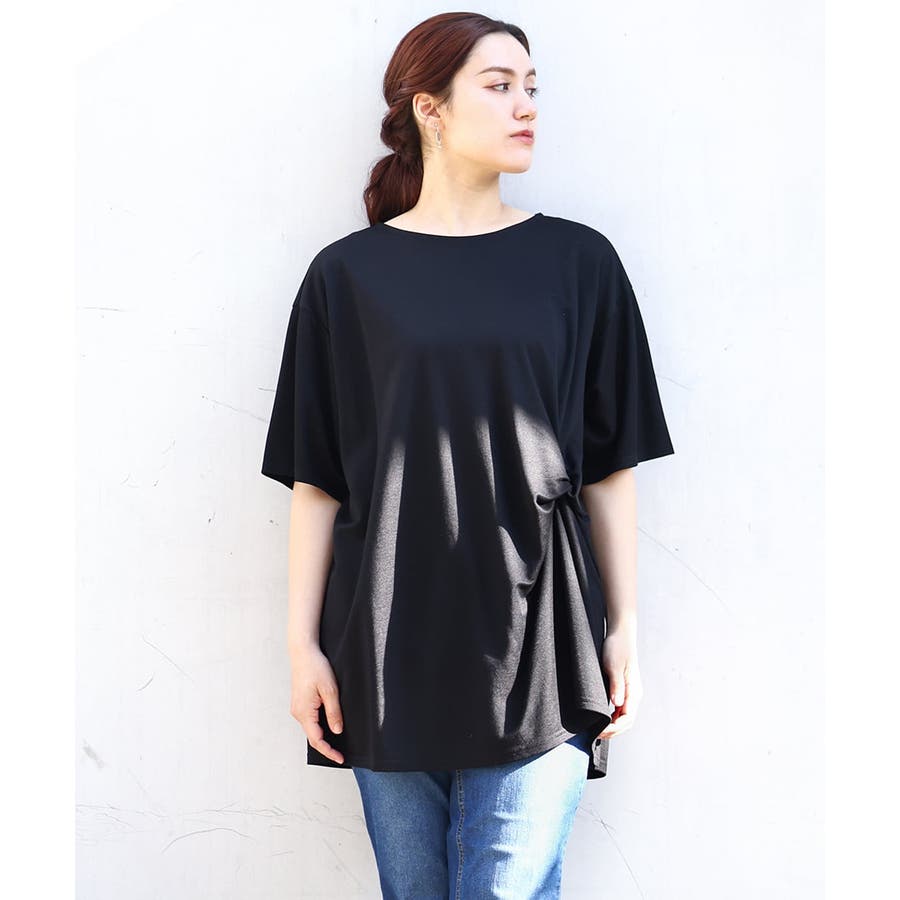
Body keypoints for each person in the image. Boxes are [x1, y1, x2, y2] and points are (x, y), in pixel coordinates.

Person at [261, 12, 675, 899]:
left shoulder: (580, 263)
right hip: (385, 644)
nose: (527, 105)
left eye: (532, 87)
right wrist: (301, 648)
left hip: (543, 643)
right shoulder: (346, 277)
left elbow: (612, 465)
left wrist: (624, 628)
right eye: (500, 85)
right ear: (430, 108)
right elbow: (316, 478)